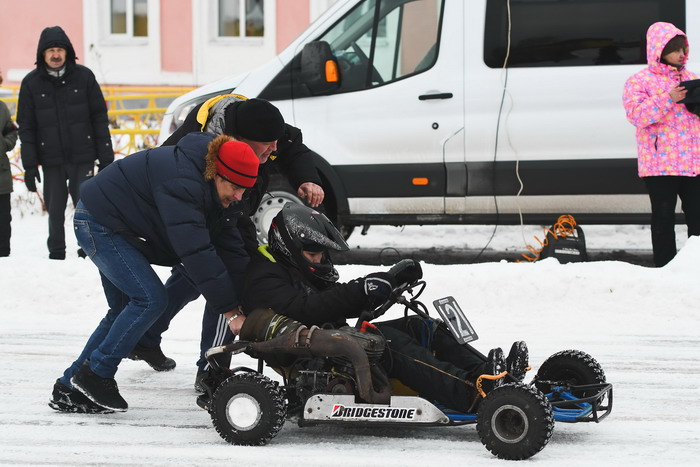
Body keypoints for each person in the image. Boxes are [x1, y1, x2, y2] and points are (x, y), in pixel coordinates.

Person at [236, 203, 530, 414]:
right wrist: (361, 290)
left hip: (335, 340)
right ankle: (473, 395)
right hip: (313, 356)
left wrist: (388, 280)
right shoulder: (264, 277)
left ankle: (490, 377)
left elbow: (332, 299)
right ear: (288, 247)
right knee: (390, 344)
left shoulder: (292, 269)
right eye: (313, 253)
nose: (320, 260)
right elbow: (308, 310)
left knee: (420, 326)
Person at [49, 132, 257, 414]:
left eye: (245, 190)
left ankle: (68, 388)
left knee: (122, 309)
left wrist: (249, 292)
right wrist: (231, 311)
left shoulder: (217, 191)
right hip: (99, 221)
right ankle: (95, 375)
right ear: (216, 173)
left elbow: (230, 247)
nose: (238, 196)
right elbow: (196, 252)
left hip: (116, 223)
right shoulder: (184, 182)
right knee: (150, 299)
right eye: (234, 187)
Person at [128, 96, 325, 391]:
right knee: (229, 279)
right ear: (241, 140)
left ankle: (146, 336)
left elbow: (292, 146)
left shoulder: (262, 124)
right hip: (203, 212)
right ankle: (212, 369)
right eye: (267, 145)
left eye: (276, 141)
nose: (275, 149)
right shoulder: (197, 144)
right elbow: (163, 179)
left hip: (235, 206)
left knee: (194, 275)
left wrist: (307, 179)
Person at [17, 26, 114, 260]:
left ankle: (88, 250)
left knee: (86, 207)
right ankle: (57, 253)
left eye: (59, 49)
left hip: (83, 155)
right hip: (51, 160)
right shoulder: (31, 83)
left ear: (68, 52)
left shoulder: (85, 77)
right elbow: (26, 127)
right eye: (50, 50)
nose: (55, 55)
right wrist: (29, 166)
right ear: (42, 54)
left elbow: (99, 118)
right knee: (55, 209)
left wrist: (106, 157)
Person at [623, 22, 700, 267]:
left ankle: (694, 267)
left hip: (693, 163)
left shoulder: (692, 78)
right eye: (675, 49)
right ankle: (666, 269)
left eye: (683, 49)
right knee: (664, 220)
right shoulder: (639, 81)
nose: (681, 54)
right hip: (660, 164)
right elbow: (637, 116)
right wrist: (669, 98)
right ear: (659, 49)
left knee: (698, 220)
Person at [1, 69, 19, 257]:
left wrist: (5, 143)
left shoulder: (2, 108)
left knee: (3, 220)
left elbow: (11, 131)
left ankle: (3, 257)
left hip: (1, 177)